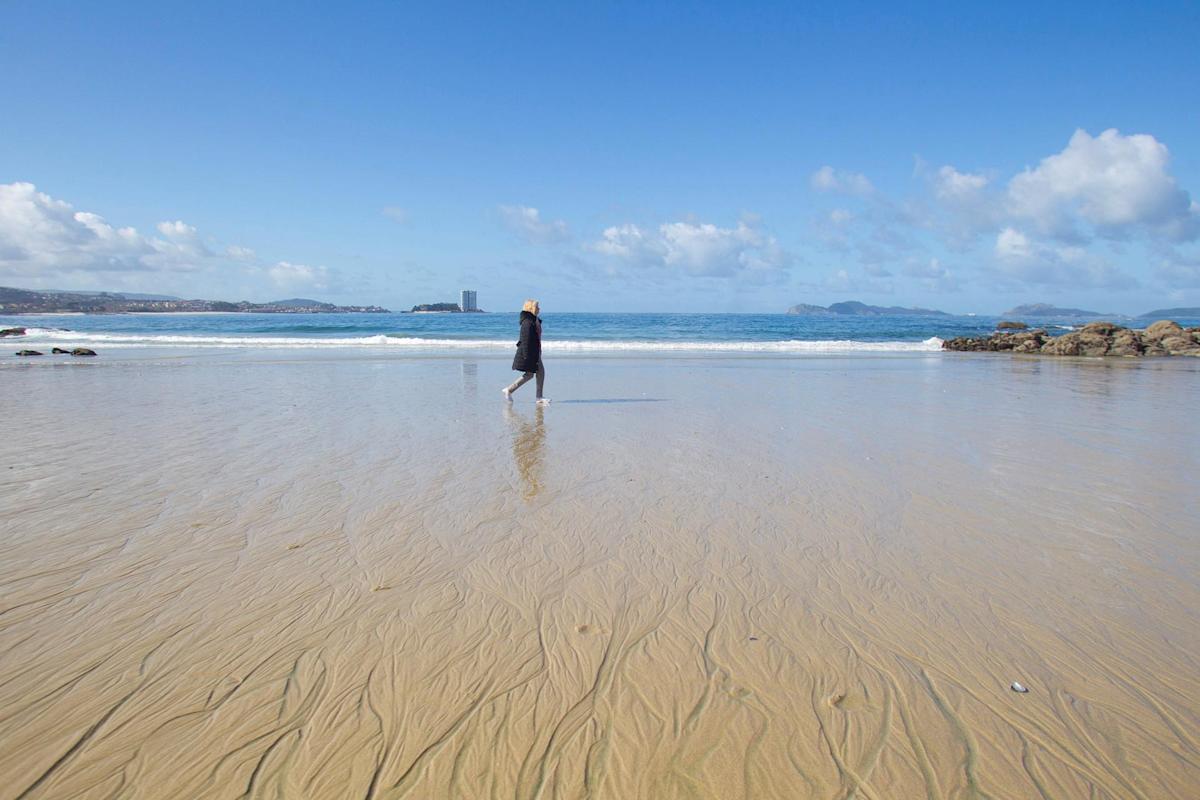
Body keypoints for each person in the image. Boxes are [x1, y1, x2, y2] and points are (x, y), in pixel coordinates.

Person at [502, 299, 549, 404]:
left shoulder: (535, 320)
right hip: (530, 352)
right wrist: (526, 355)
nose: (539, 309)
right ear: (531, 308)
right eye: (537, 307)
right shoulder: (527, 322)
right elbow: (525, 339)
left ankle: (509, 390)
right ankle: (538, 397)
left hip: (536, 351)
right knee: (535, 373)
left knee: (532, 374)